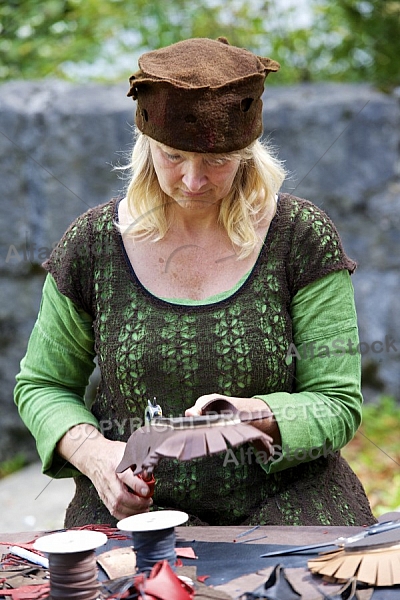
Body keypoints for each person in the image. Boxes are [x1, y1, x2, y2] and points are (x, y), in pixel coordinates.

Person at [15, 37, 376, 528]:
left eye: (218, 161)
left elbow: (337, 401)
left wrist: (253, 416)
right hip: (135, 509)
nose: (192, 180)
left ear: (248, 152)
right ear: (146, 145)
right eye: (173, 156)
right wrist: (96, 456)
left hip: (291, 503)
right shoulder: (92, 245)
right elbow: (43, 385)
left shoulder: (301, 237)